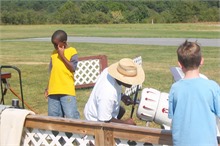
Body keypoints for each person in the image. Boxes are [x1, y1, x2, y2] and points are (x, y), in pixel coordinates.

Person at [168, 40, 220, 145]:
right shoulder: (212, 87)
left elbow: (172, 117)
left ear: (180, 64)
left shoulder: (175, 88)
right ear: (201, 61)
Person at [84, 58, 145, 125]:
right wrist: (126, 124)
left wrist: (122, 96)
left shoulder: (108, 72)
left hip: (100, 115)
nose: (133, 82)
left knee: (121, 110)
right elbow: (104, 120)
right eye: (130, 79)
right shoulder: (108, 93)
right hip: (95, 125)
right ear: (121, 77)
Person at [44, 30, 80, 119]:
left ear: (64, 42)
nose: (55, 47)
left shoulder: (72, 51)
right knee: (53, 116)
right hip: (53, 90)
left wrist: (62, 55)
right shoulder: (53, 54)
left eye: (57, 44)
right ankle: (55, 133)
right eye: (53, 44)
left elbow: (72, 68)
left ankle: (76, 133)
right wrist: (47, 88)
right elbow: (52, 71)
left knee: (70, 115)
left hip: (66, 90)